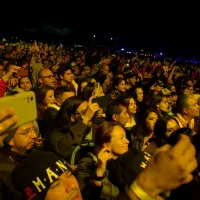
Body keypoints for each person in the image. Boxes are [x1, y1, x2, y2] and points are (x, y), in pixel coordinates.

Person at [11, 135, 197, 200]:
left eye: (68, 174)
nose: (71, 185)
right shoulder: (90, 163)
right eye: (55, 185)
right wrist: (147, 185)